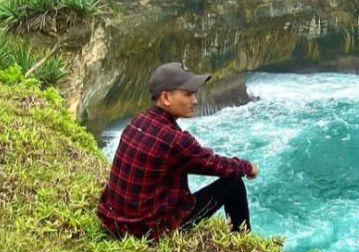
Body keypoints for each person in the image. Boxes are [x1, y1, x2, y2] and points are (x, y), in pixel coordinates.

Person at [97, 62, 258, 239]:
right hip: (147, 231)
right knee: (233, 183)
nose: (195, 100)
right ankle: (241, 240)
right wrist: (247, 167)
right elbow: (216, 164)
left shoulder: (138, 121)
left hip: (114, 220)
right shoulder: (176, 140)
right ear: (166, 98)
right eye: (188, 94)